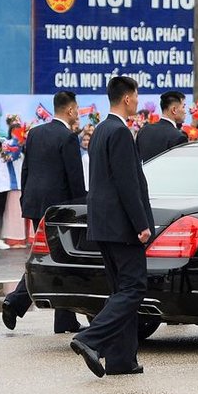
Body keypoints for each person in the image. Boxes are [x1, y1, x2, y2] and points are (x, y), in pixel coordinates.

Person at [71, 77, 154, 378]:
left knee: (121, 289)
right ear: (128, 98)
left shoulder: (102, 130)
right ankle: (90, 339)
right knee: (133, 288)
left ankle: (121, 360)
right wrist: (141, 224)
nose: (137, 101)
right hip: (121, 226)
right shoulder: (119, 131)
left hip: (105, 225)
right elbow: (126, 184)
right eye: (136, 95)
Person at [2, 91, 86, 334]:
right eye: (77, 108)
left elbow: (26, 171)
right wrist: (81, 208)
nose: (78, 112)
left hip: (35, 204)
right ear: (70, 110)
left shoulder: (35, 133)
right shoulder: (68, 137)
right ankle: (17, 301)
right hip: (59, 208)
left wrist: (26, 201)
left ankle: (64, 320)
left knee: (54, 259)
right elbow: (75, 179)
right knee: (59, 258)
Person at [136, 91, 188, 162]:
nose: (185, 111)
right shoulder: (178, 138)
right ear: (174, 110)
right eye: (183, 107)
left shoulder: (143, 131)